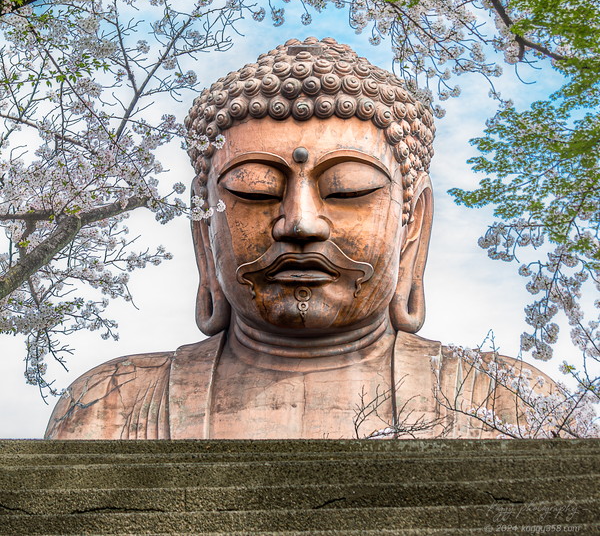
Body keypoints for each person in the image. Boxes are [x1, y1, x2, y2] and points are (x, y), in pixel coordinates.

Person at [46, 38, 553, 439]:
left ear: (412, 223)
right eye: (256, 189)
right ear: (205, 228)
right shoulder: (112, 404)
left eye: (347, 189)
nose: (300, 223)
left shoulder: (506, 401)